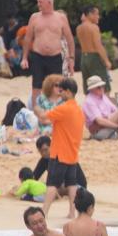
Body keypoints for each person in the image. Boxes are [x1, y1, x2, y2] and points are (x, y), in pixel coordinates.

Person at [34, 78, 84, 219]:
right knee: (71, 184)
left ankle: (44, 212)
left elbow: (44, 118)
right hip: (73, 153)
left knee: (52, 184)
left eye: (61, 91)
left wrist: (36, 108)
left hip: (59, 153)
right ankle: (72, 212)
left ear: (68, 92)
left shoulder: (64, 108)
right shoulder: (78, 109)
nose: (59, 94)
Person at [21, 0, 75, 104]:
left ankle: (56, 108)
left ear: (49, 2)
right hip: (38, 56)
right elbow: (28, 38)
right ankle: (36, 111)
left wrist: (71, 59)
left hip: (55, 56)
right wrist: (24, 57)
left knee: (57, 85)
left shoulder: (60, 18)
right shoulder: (34, 17)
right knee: (36, 86)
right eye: (38, 2)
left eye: (40, 2)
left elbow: (70, 39)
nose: (38, 4)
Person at [74, 5, 112, 94]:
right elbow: (98, 45)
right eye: (96, 14)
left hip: (84, 57)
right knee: (103, 86)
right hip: (94, 57)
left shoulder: (79, 28)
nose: (98, 17)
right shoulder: (94, 27)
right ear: (90, 14)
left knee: (88, 86)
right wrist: (106, 61)